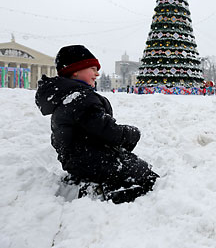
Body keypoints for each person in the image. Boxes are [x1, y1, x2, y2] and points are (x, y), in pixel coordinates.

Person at [35, 45, 158, 204]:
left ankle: (91, 182)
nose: (97, 73)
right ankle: (111, 196)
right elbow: (107, 131)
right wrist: (131, 134)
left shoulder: (67, 98)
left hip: (78, 160)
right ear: (75, 71)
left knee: (128, 160)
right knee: (147, 176)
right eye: (92, 68)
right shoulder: (81, 99)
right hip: (93, 161)